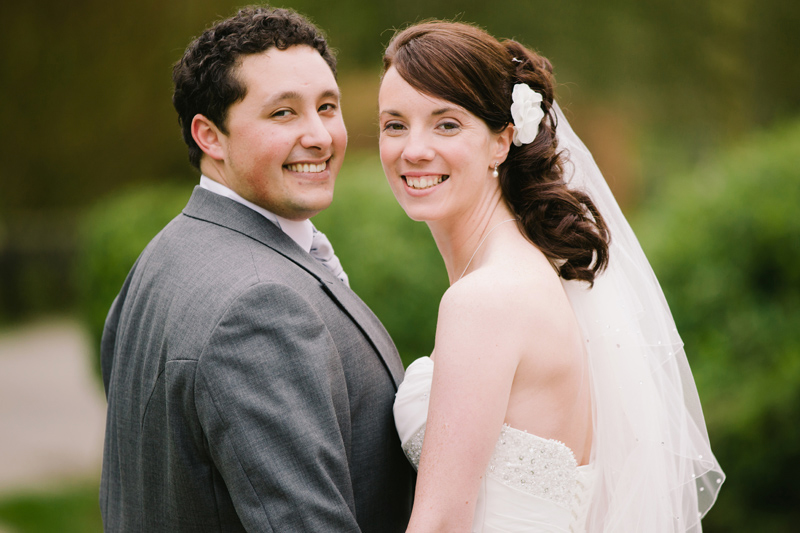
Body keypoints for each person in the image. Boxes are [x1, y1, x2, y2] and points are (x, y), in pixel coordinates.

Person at [383, 21, 724, 532]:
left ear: (501, 142)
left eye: (446, 124)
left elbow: (440, 524)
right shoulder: (534, 271)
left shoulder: (485, 300)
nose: (413, 149)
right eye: (394, 125)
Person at [99, 6, 414, 531]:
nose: (320, 136)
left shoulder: (161, 256)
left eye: (327, 107)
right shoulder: (258, 309)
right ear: (210, 136)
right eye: (283, 113)